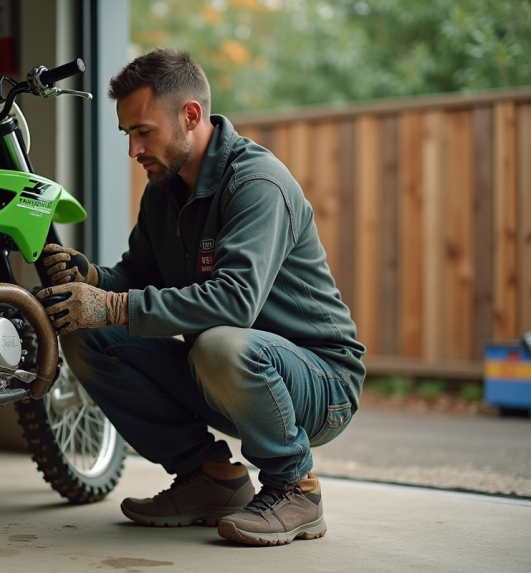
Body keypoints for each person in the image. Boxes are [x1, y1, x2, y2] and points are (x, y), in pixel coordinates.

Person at [35, 48, 366, 546]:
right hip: (223, 374)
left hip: (319, 381)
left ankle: (295, 487)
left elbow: (235, 304)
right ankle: (210, 477)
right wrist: (96, 279)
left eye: (143, 131)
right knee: (89, 336)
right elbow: (138, 276)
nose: (133, 150)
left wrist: (114, 305)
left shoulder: (257, 183)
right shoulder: (164, 190)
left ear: (190, 116)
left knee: (219, 343)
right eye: (127, 133)